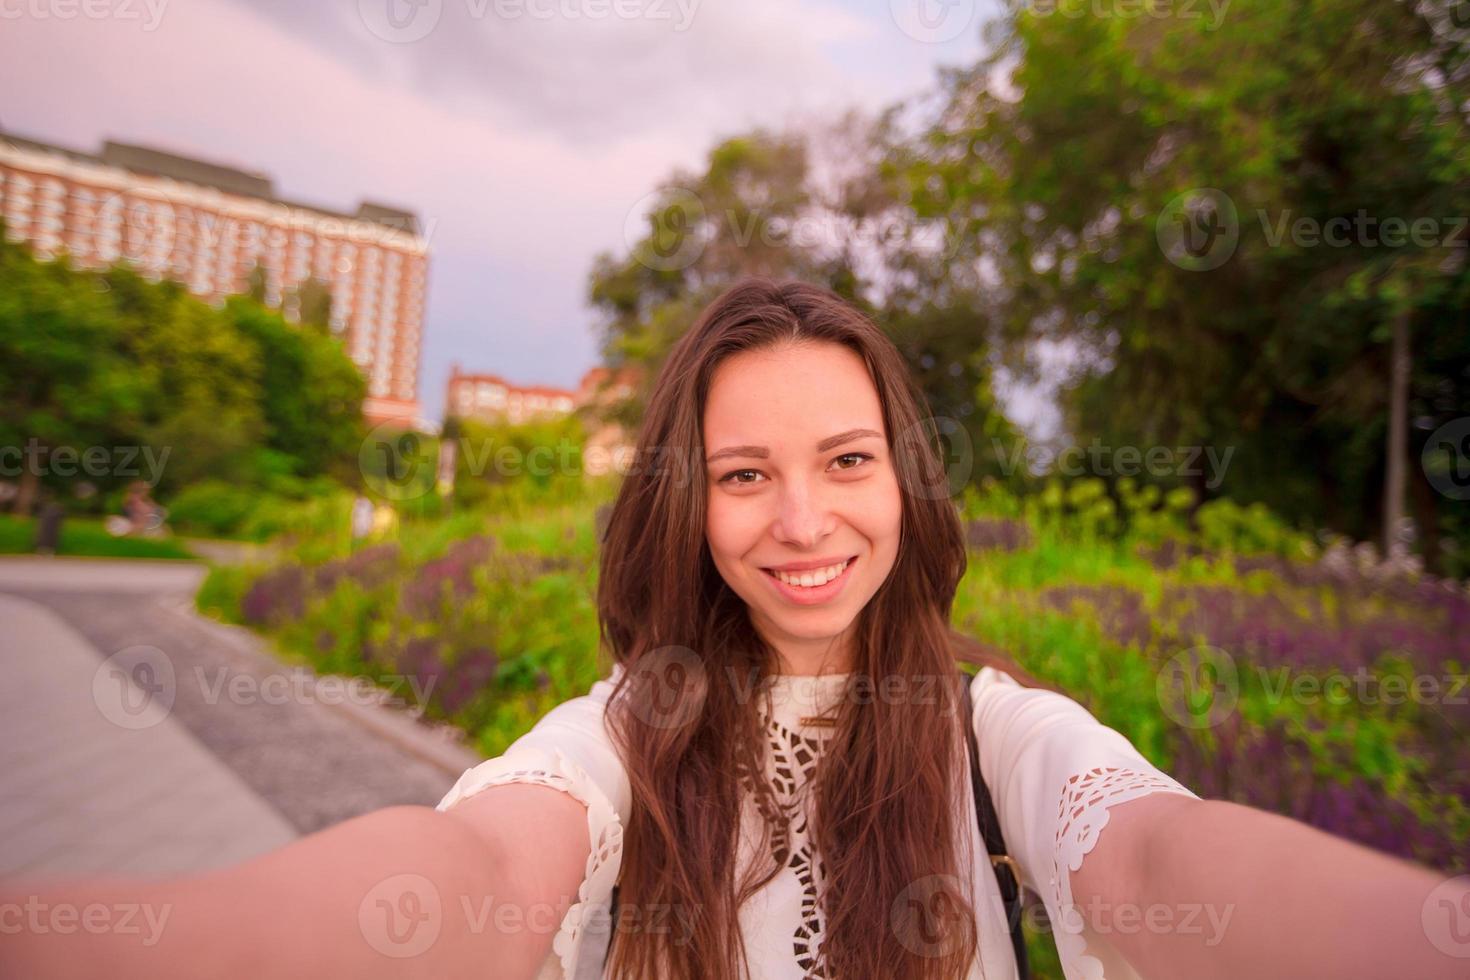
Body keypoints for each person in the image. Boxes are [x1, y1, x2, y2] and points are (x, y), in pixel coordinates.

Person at [2, 277, 1465, 980]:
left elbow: (1155, 855)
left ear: (904, 477)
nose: (803, 523)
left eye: (844, 461)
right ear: (684, 507)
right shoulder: (622, 736)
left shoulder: (993, 726)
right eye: (742, 475)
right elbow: (458, 878)